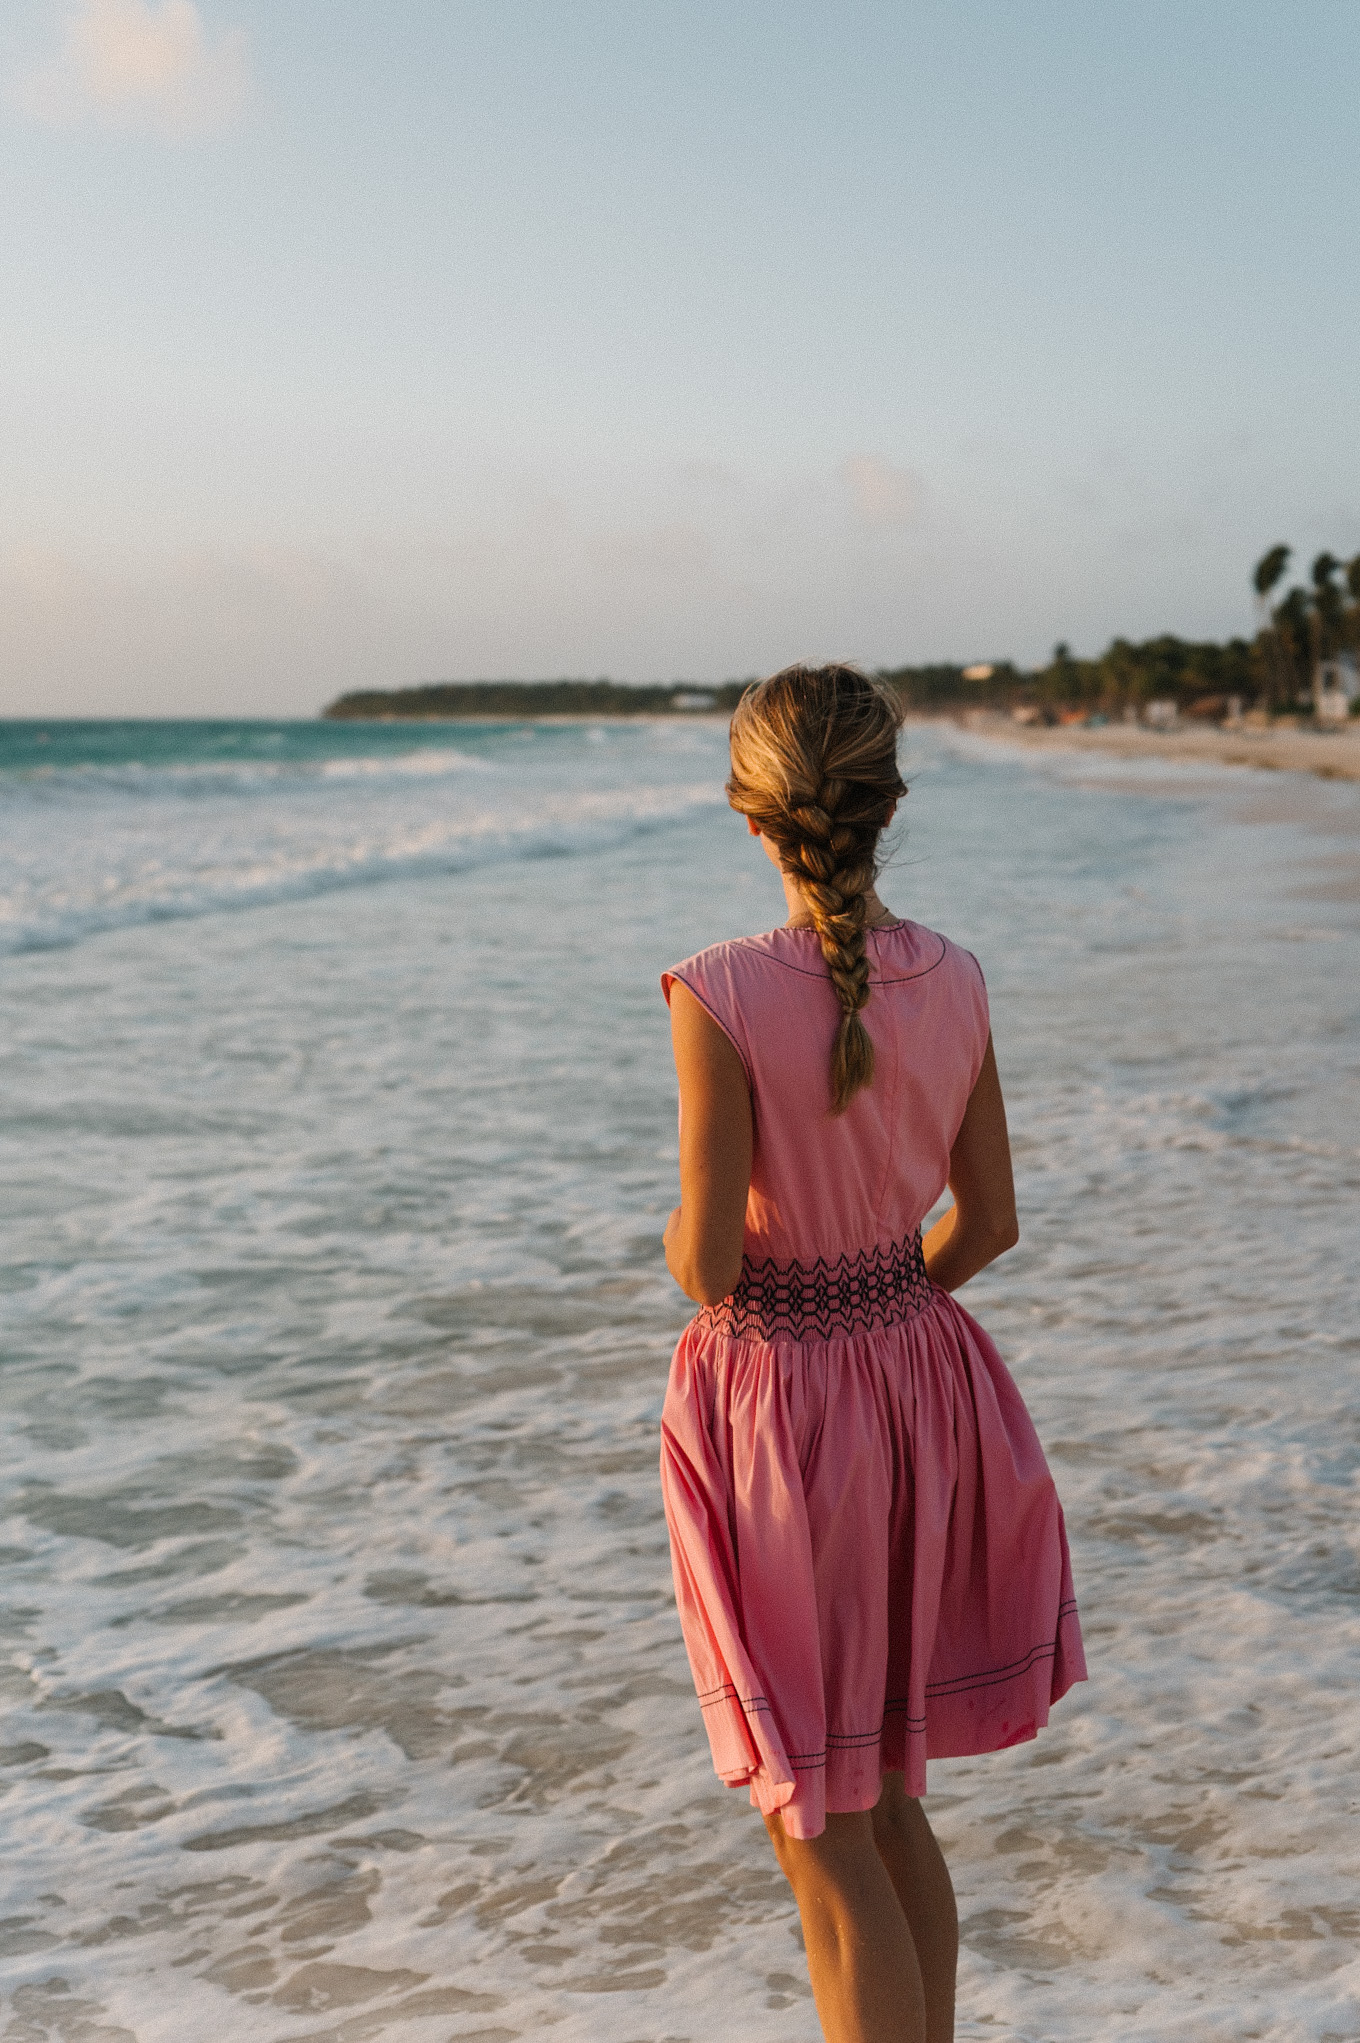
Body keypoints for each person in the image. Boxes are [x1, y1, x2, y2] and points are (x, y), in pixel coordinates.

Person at [659, 665, 1086, 2043]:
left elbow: (708, 1263)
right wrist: (889, 1294)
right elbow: (994, 1220)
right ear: (885, 805)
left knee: (817, 1828)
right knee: (889, 1799)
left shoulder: (722, 993)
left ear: (751, 817)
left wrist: (692, 1239)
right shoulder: (952, 976)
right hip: (919, 1382)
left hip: (785, 1416)